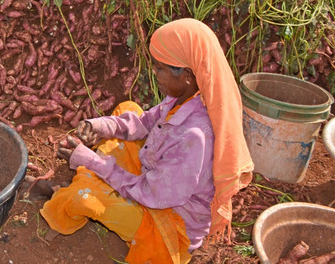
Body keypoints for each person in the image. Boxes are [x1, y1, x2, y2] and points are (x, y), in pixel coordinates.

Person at [38, 18, 254, 263]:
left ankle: (65, 198)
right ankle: (89, 176)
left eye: (160, 69)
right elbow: (145, 122)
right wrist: (99, 126)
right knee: (128, 108)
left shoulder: (194, 138)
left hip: (166, 220)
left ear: (187, 75)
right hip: (157, 178)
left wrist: (92, 161)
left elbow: (148, 192)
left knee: (84, 198)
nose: (155, 74)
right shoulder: (186, 97)